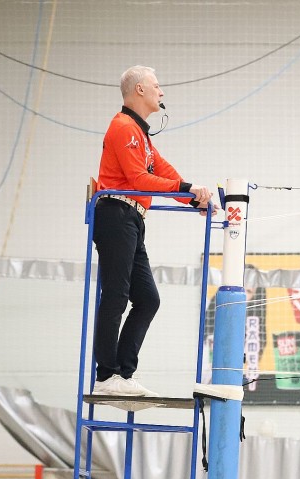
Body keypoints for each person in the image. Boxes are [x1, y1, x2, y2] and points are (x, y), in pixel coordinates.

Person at [92, 65, 215, 397]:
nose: (161, 92)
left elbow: (164, 171)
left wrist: (194, 198)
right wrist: (188, 189)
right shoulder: (123, 127)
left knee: (147, 299)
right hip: (116, 213)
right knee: (116, 294)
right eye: (156, 85)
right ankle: (106, 376)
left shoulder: (141, 135)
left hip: (132, 218)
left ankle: (123, 373)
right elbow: (139, 179)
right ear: (140, 90)